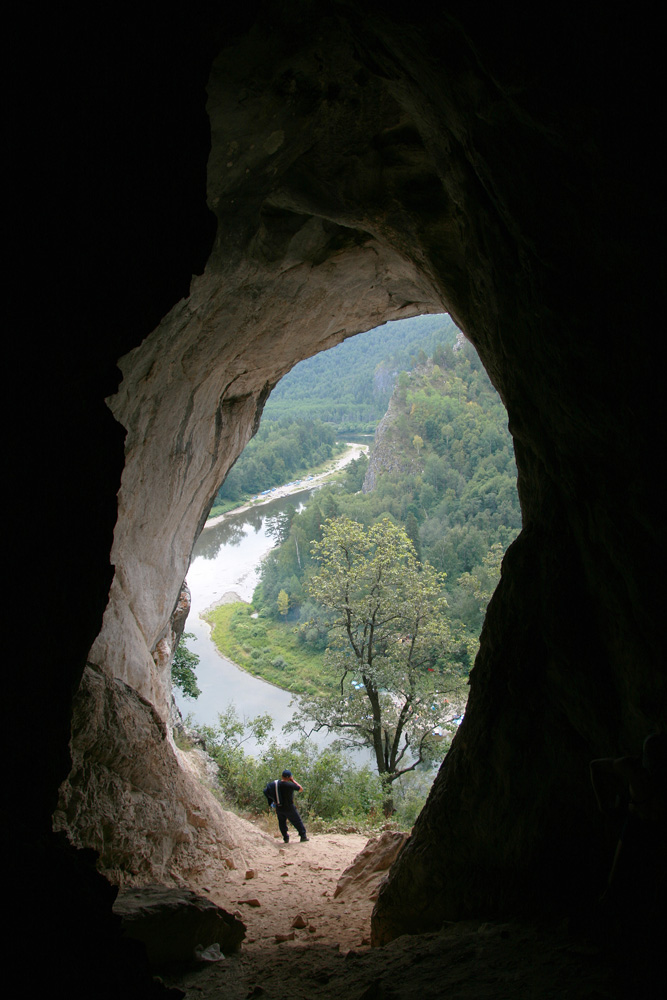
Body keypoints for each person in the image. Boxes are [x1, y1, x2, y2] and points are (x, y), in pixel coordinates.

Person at [273, 769, 308, 843]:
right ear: (289, 777)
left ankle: (285, 838)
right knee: (297, 821)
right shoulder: (290, 785)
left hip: (279, 807)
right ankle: (303, 836)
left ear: (282, 776)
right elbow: (300, 789)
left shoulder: (276, 784)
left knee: (282, 822)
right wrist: (293, 781)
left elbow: (267, 791)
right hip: (289, 807)